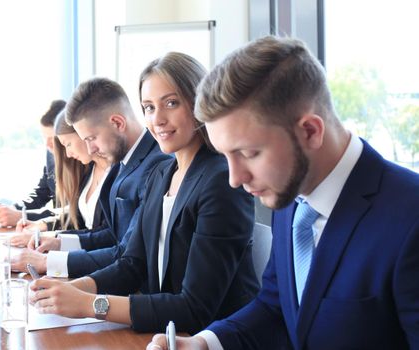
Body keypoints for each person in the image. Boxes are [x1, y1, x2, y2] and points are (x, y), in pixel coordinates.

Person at [147, 36, 419, 350]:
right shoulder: (290, 197)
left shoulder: (409, 220)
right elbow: (275, 307)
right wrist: (203, 344)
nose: (235, 179)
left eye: (248, 153)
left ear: (310, 131)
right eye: (226, 156)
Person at [29, 52, 258, 333]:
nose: (157, 119)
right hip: (164, 334)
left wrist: (90, 304)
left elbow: (194, 308)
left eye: (171, 103)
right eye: (149, 107)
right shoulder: (162, 174)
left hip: (208, 337)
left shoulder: (221, 180)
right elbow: (132, 264)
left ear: (199, 103)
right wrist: (70, 291)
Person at [17, 77, 169, 276]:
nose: (90, 149)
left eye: (91, 138)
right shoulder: (122, 161)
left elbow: (128, 254)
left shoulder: (157, 165)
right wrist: (59, 242)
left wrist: (49, 262)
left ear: (117, 122)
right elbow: (111, 235)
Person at [10, 112, 111, 270]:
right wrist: (46, 230)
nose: (68, 153)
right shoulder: (91, 168)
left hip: (95, 265)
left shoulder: (114, 172)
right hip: (83, 259)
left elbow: (108, 236)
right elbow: (76, 214)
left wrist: (56, 242)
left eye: (68, 144)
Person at [0, 100, 65, 227]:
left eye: (53, 139)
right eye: (44, 138)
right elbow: (41, 193)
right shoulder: (51, 152)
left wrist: (23, 216)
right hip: (55, 231)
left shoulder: (85, 163)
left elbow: (74, 213)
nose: (47, 145)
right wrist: (12, 209)